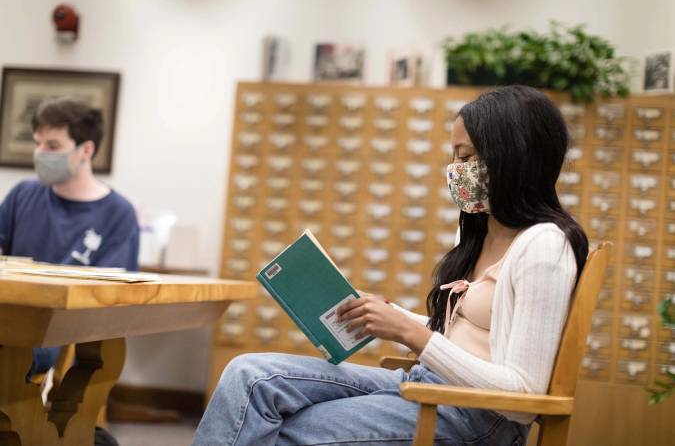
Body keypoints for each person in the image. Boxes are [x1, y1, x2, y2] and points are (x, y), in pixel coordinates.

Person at [193, 85, 588, 446]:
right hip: (428, 385)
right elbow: (463, 333)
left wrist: (410, 334)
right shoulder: (479, 232)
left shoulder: (544, 247)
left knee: (274, 428)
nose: (455, 170)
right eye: (454, 157)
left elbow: (523, 399)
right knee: (250, 376)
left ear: (513, 156)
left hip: (475, 417)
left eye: (467, 157)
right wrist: (381, 313)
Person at [0, 97, 139, 445]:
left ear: (85, 149)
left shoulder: (117, 214)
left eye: (53, 145)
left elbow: (111, 300)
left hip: (47, 335)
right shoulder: (22, 195)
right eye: (37, 143)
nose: (41, 153)